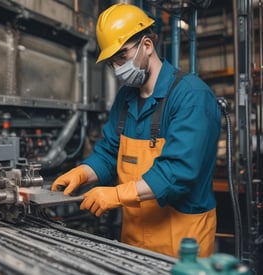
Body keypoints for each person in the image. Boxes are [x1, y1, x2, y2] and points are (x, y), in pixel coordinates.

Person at [51, 3, 221, 258]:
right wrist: (83, 173)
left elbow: (178, 172)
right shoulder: (125, 98)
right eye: (112, 62)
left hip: (182, 242)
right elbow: (110, 153)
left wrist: (117, 194)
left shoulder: (191, 96)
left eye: (122, 56)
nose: (118, 68)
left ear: (147, 45)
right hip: (133, 241)